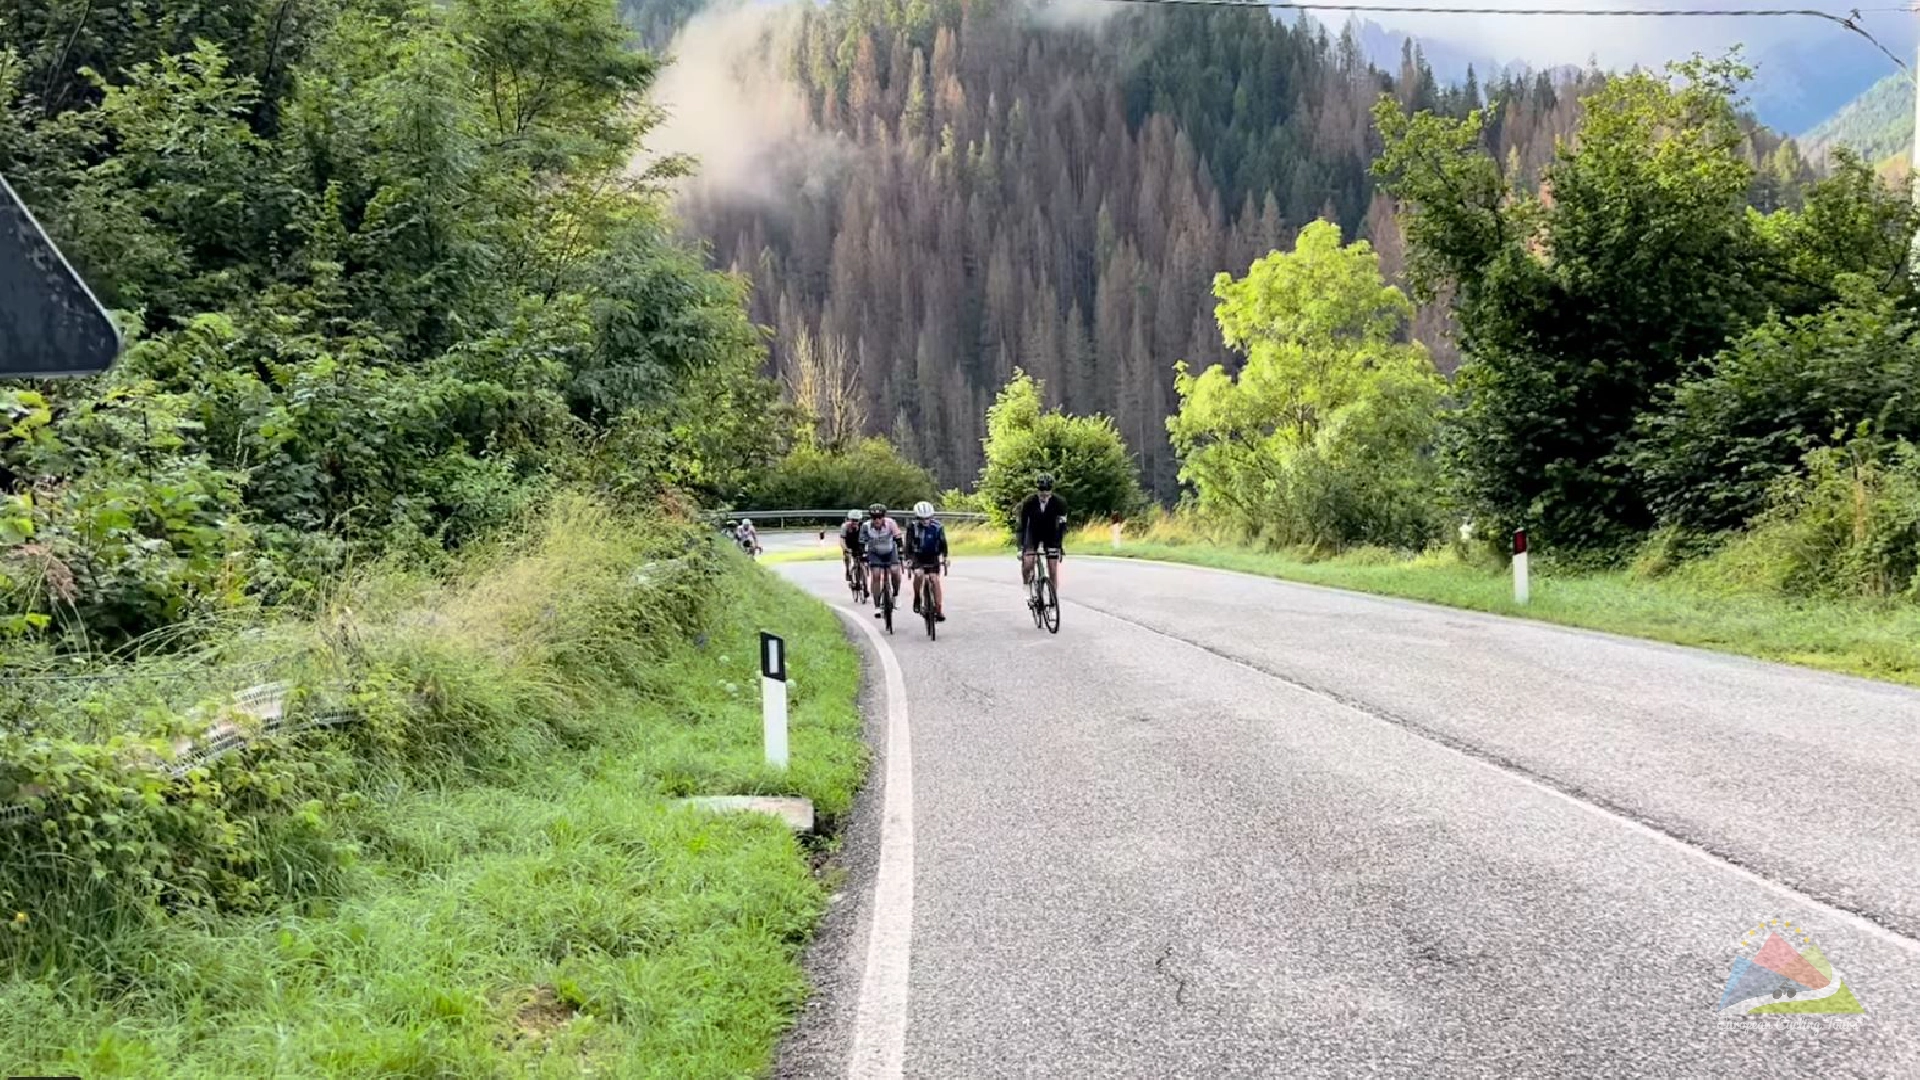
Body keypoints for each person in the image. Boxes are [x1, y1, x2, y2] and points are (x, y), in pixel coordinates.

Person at [1016, 473, 1068, 602]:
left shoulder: (1060, 503)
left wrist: (1059, 546)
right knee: (1028, 563)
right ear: (1037, 491)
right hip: (1033, 533)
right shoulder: (1029, 502)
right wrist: (1020, 547)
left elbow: (1062, 527)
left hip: (1051, 534)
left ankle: (1052, 598)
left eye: (1047, 493)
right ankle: (1027, 586)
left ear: (1051, 491)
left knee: (1052, 568)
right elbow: (1021, 526)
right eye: (1041, 493)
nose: (1044, 496)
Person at [905, 501, 949, 621]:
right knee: (919, 575)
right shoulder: (912, 527)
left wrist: (944, 557)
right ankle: (917, 597)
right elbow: (908, 545)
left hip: (932, 556)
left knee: (934, 580)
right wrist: (908, 559)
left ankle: (939, 609)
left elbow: (943, 543)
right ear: (917, 517)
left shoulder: (938, 527)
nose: (925, 521)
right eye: (922, 518)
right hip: (917, 556)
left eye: (928, 518)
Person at [859, 504, 905, 616]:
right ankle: (877, 605)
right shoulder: (866, 526)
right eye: (874, 517)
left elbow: (898, 538)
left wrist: (900, 552)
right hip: (875, 552)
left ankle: (895, 595)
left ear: (884, 517)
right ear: (871, 518)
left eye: (880, 517)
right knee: (876, 574)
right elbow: (861, 542)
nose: (877, 520)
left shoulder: (891, 523)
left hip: (890, 551)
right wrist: (863, 555)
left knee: (895, 571)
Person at [839, 509, 866, 593]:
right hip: (849, 543)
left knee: (863, 561)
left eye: (856, 520)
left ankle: (863, 579)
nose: (855, 522)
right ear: (849, 520)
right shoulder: (845, 526)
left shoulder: (863, 526)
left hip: (859, 544)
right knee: (847, 556)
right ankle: (848, 570)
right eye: (853, 520)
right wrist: (846, 549)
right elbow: (842, 540)